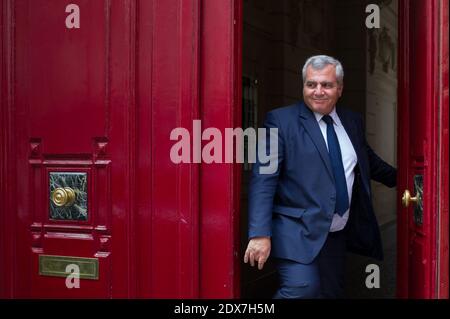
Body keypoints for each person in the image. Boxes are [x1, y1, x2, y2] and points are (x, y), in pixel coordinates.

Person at [243, 55, 397, 299]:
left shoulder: (352, 121)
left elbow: (368, 162)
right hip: (295, 229)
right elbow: (264, 179)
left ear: (340, 88)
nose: (318, 91)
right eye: (311, 84)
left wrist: (410, 180)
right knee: (301, 290)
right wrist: (259, 233)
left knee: (329, 293)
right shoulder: (280, 121)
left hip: (335, 232)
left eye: (326, 85)